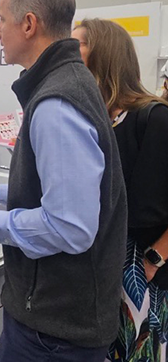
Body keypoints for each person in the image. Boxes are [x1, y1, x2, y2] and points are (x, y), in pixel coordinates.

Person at [0, 0, 127, 361]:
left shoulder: (56, 103)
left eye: (1, 20)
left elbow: (70, 227)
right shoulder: (69, 83)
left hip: (54, 332)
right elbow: (66, 192)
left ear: (29, 24)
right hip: (61, 323)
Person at [73, 19, 168, 361]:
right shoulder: (94, 119)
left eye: (76, 45)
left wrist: (154, 259)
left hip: (141, 271)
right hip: (99, 272)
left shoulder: (154, 118)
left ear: (103, 54)